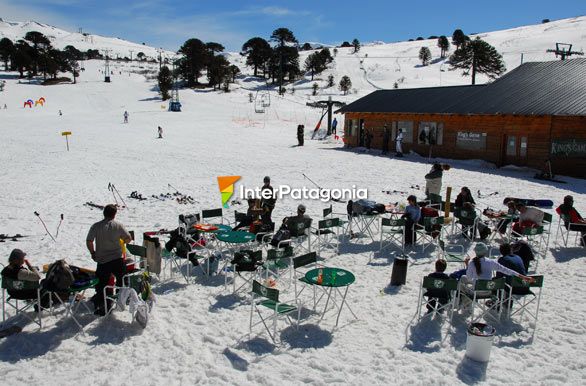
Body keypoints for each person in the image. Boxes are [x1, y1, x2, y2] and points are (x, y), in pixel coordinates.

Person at [86, 204, 133, 315]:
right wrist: (122, 242)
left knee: (101, 284)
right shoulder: (118, 225)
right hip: (117, 259)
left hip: (102, 261)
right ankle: (120, 298)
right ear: (114, 214)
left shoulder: (96, 226)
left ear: (104, 213)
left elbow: (89, 241)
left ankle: (103, 303)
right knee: (122, 280)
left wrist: (93, 253)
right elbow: (128, 238)